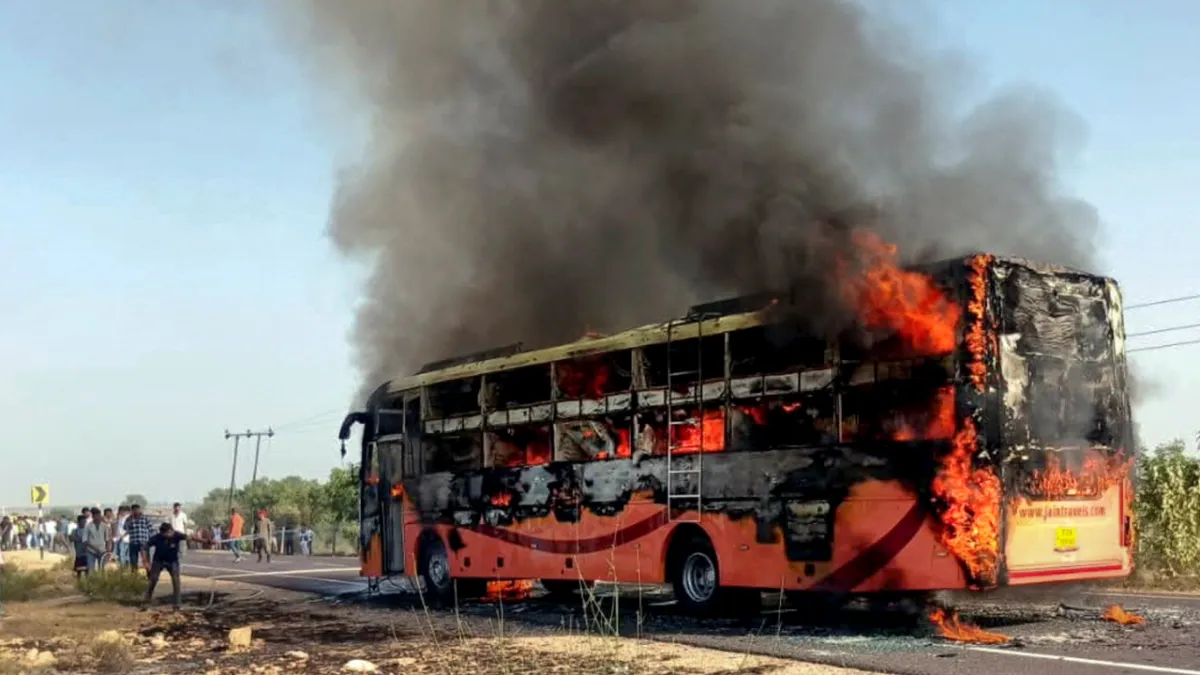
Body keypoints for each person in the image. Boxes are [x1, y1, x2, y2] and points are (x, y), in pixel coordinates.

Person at [142, 523, 187, 611]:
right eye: (169, 532)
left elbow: (190, 537)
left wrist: (207, 541)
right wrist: (146, 561)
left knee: (176, 581)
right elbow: (144, 547)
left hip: (172, 561)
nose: (171, 533)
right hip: (158, 561)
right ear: (163, 533)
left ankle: (177, 604)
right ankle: (145, 603)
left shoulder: (177, 535)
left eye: (172, 531)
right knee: (153, 580)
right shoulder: (156, 538)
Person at [125, 504, 152, 571]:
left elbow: (151, 530)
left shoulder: (145, 518)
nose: (136, 511)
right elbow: (125, 527)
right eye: (134, 510)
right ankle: (134, 576)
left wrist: (151, 541)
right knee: (133, 562)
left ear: (140, 510)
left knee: (146, 561)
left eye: (137, 510)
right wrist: (130, 519)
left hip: (144, 543)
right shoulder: (129, 519)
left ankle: (150, 575)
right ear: (132, 511)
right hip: (133, 542)